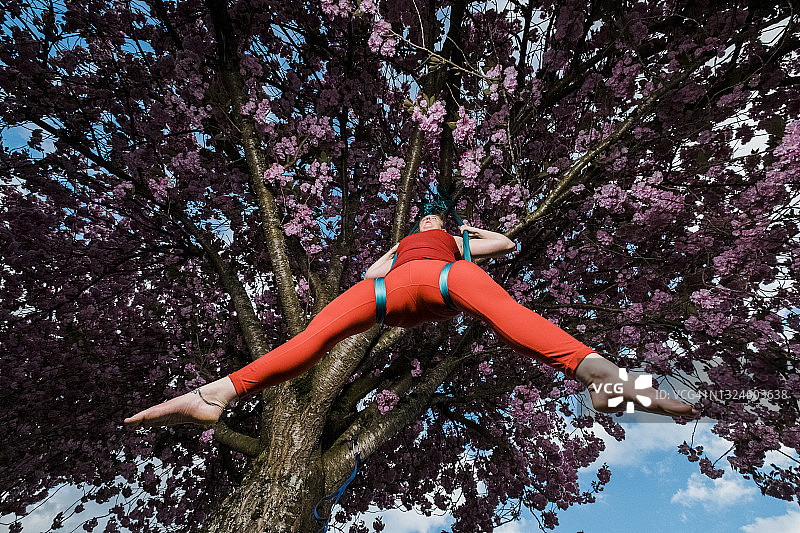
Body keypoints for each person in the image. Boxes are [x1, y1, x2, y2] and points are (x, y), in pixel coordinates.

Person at [124, 206, 695, 428]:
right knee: (315, 336)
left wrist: (464, 234)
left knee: (508, 312)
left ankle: (605, 380)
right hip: (391, 290)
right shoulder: (402, 248)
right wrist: (406, 252)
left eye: (434, 217)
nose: (426, 218)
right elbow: (372, 273)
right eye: (424, 217)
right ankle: (217, 393)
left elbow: (507, 242)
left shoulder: (459, 246)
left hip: (446, 282)